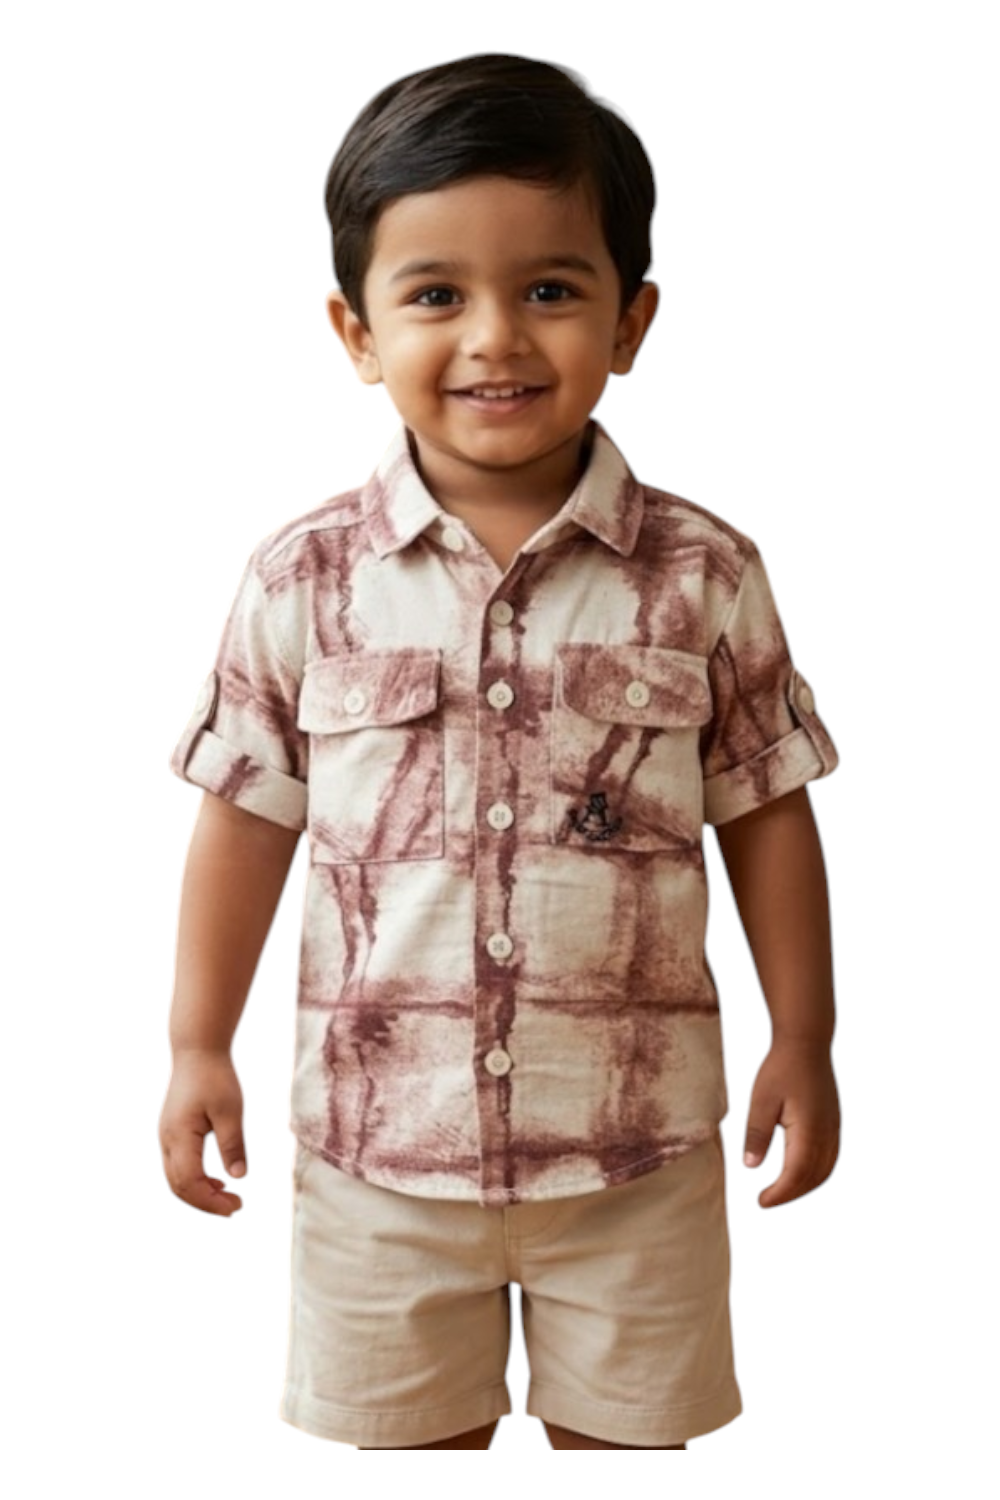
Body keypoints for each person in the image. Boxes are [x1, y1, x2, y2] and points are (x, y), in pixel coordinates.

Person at [159, 53, 842, 1451]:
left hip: (636, 1159)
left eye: (548, 289)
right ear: (355, 331)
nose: (494, 339)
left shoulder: (706, 574)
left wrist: (808, 1036)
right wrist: (193, 1044)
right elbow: (246, 816)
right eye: (434, 295)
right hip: (378, 1163)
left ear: (630, 318)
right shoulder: (303, 581)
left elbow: (765, 810)